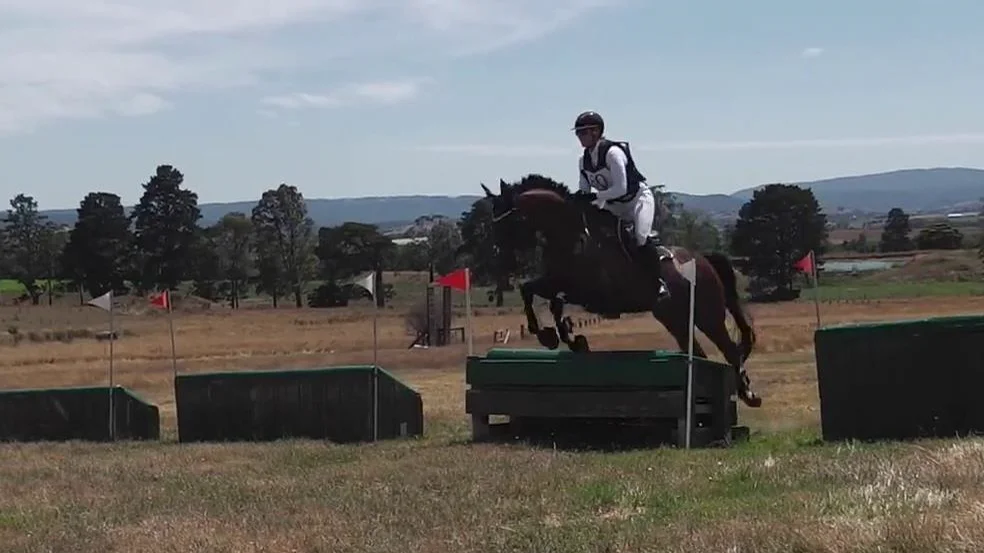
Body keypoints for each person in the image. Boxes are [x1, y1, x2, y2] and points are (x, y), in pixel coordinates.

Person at [571, 110, 670, 303]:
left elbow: (621, 188)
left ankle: (658, 282)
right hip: (612, 205)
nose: (580, 137)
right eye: (578, 133)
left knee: (641, 237)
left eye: (583, 132)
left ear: (596, 132)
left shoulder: (613, 153)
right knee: (593, 236)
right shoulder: (583, 161)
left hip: (637, 200)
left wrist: (596, 196)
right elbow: (584, 190)